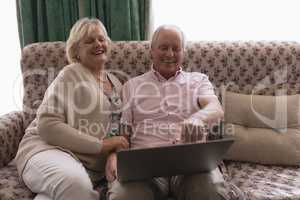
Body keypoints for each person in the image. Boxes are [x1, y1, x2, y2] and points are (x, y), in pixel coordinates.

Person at [105, 25, 244, 200]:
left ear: (183, 52)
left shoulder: (199, 80)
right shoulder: (131, 86)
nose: (170, 54)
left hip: (192, 164)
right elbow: (124, 135)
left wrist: (198, 118)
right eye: (163, 48)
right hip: (146, 167)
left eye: (176, 48)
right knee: (123, 196)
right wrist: (115, 156)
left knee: (212, 192)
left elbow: (215, 108)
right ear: (152, 51)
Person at [15, 18, 129, 200]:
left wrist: (114, 153)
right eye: (89, 41)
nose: (98, 44)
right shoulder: (71, 74)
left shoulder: (116, 82)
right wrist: (101, 146)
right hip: (48, 149)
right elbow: (47, 124)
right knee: (76, 186)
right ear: (76, 51)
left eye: (101, 39)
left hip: (86, 166)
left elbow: (120, 130)